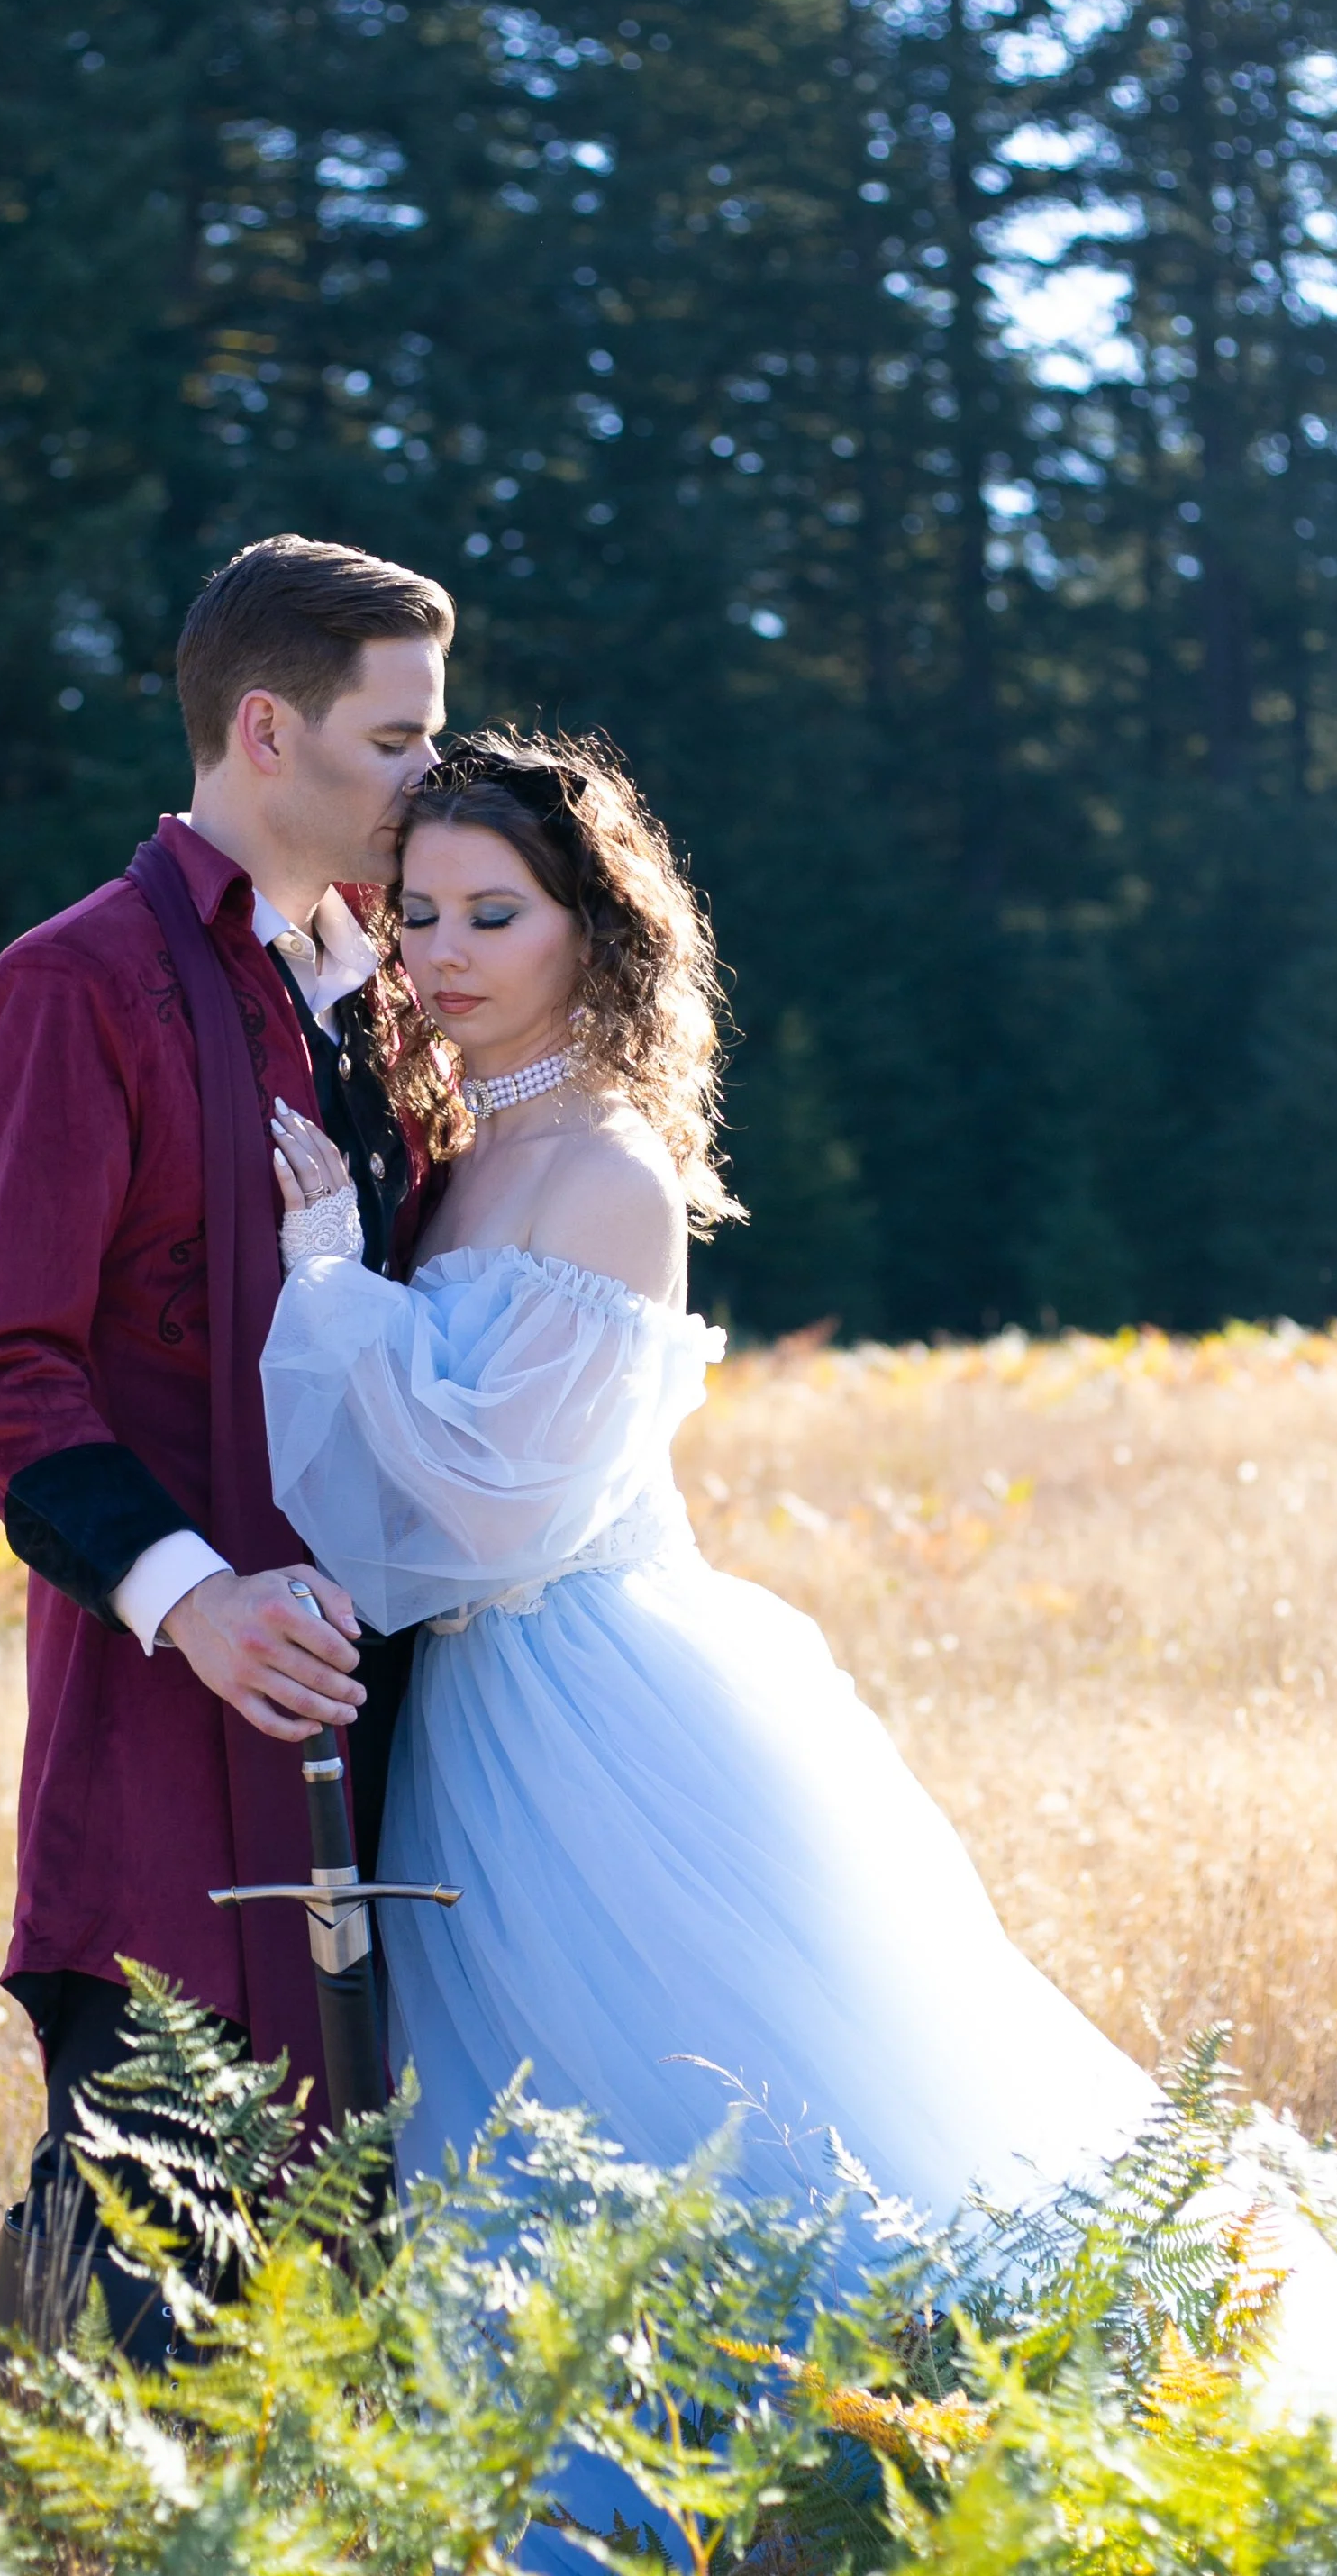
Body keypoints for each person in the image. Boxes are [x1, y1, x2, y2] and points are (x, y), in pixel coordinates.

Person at [259, 729, 1167, 2256]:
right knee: (539, 2149)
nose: (445, 952)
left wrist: (332, 1273)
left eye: (498, 914)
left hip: (590, 1703)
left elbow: (498, 1511)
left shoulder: (602, 1166)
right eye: (418, 911)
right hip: (483, 1708)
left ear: (591, 929)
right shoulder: (478, 1143)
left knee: (708, 2127)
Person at [0, 534, 456, 2345]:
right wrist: (193, 1601)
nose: (425, 782)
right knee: (140, 2252)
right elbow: (0, 1370)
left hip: (387, 1708)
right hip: (170, 1710)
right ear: (260, 731)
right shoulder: (77, 986)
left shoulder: (391, 990)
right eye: (393, 741)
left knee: (349, 2251)